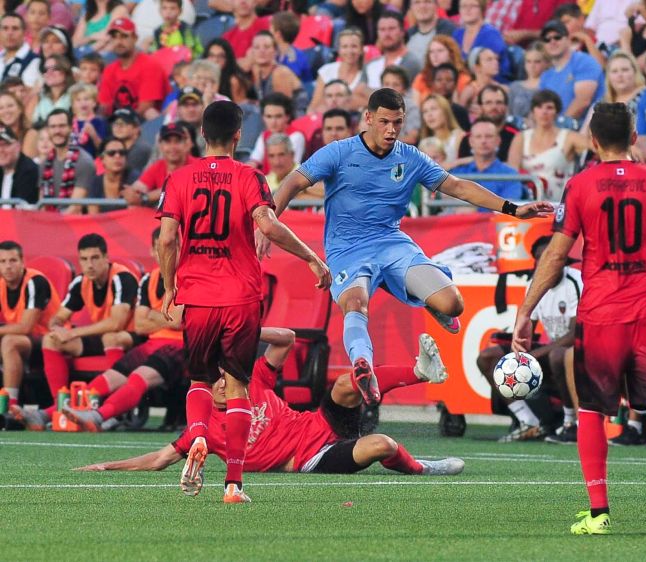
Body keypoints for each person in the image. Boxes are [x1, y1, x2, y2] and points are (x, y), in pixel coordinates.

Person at [269, 88, 553, 406]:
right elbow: (293, 182)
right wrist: (269, 222)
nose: (391, 130)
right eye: (384, 122)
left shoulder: (410, 157)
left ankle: (420, 297)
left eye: (398, 122)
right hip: (347, 249)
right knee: (355, 302)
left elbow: (457, 186)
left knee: (453, 305)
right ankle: (363, 365)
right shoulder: (339, 152)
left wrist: (513, 208)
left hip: (392, 243)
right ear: (368, 119)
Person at [513, 101, 646, 538]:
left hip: (601, 315)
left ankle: (598, 512)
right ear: (634, 138)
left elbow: (556, 256)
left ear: (592, 142)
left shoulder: (579, 185)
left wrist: (524, 310)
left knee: (591, 410)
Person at [156, 100, 332, 503]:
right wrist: (311, 257)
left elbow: (167, 238)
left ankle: (198, 433)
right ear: (239, 135)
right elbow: (268, 225)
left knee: (201, 380)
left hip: (198, 296)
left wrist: (170, 286)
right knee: (238, 388)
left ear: (202, 135)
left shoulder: (179, 179)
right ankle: (233, 484)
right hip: (241, 297)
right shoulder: (251, 177)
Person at [74, 330, 462, 478]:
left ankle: (421, 371)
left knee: (346, 384)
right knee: (383, 445)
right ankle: (422, 468)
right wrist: (110, 464)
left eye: (228, 375)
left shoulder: (253, 379)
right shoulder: (204, 427)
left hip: (319, 422)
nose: (226, 383)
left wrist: (245, 327)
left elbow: (287, 339)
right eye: (219, 380)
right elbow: (160, 459)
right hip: (313, 458)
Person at [11, 233, 140, 430]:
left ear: (106, 258)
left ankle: (112, 411)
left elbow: (117, 322)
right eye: (84, 259)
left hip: (132, 338)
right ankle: (60, 408)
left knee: (111, 336)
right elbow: (59, 316)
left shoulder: (122, 278)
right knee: (51, 340)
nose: (89, 264)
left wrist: (73, 333)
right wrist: (58, 328)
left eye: (95, 258)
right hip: (101, 338)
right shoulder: (81, 281)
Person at [61, 227, 185, 431]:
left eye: (172, 247)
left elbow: (177, 323)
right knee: (110, 377)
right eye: (160, 248)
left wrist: (152, 315)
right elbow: (140, 324)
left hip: (183, 344)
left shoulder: (190, 276)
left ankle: (100, 416)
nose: (166, 253)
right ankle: (51, 413)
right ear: (152, 252)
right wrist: (163, 318)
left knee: (140, 375)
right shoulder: (149, 279)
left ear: (181, 248)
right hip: (153, 341)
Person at [474, 235, 580, 441]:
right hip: (551, 351)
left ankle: (570, 423)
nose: (543, 262)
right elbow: (527, 326)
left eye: (548, 256)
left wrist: (536, 353)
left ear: (562, 258)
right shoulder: (535, 283)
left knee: (558, 355)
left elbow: (576, 334)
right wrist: (520, 350)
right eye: (539, 258)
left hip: (578, 351)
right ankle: (528, 421)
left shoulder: (575, 281)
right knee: (488, 357)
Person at [0, 240, 58, 411]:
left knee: (10, 341)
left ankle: (9, 407)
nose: (8, 266)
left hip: (49, 339)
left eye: (13, 261)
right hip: (25, 339)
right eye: (2, 262)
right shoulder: (1, 284)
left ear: (22, 262)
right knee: (9, 339)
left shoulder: (35, 281)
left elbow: (26, 327)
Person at [507, 89, 588, 202]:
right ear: (533, 111)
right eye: (539, 107)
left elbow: (600, 148)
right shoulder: (521, 138)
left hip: (560, 205)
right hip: (527, 204)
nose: (544, 112)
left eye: (549, 108)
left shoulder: (569, 137)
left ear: (557, 112)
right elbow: (511, 173)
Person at [96, 17, 171, 120]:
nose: (119, 41)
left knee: (150, 113)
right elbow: (105, 105)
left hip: (146, 123)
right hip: (118, 123)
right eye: (114, 37)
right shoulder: (109, 69)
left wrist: (123, 124)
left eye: (124, 36)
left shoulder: (150, 65)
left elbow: (146, 106)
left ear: (135, 38)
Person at [537, 20, 603, 120]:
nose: (552, 42)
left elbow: (583, 101)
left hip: (588, 128)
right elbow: (541, 106)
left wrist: (558, 127)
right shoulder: (546, 75)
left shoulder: (583, 61)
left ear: (569, 40)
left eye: (557, 37)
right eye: (547, 39)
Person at [450, 119, 523, 208]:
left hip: (493, 221)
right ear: (471, 142)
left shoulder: (510, 174)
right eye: (478, 137)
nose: (483, 141)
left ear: (498, 141)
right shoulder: (458, 173)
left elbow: (510, 207)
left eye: (488, 136)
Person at [37, 109, 97, 214]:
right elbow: (42, 204)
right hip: (49, 223)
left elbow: (75, 208)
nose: (57, 131)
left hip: (75, 225)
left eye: (62, 126)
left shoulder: (84, 162)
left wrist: (53, 224)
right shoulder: (44, 164)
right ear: (48, 130)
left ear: (71, 128)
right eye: (53, 127)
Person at [126, 123, 197, 207]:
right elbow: (137, 189)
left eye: (177, 141)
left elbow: (178, 188)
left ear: (186, 144)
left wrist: (146, 197)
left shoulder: (198, 165)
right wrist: (133, 194)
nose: (172, 147)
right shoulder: (158, 166)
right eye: (168, 142)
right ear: (160, 145)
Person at [311, 28, 367, 114]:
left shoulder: (369, 73)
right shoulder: (327, 70)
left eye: (354, 46)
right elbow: (314, 107)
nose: (349, 51)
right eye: (345, 46)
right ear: (339, 50)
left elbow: (370, 105)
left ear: (361, 49)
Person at [457, 85, 519, 161]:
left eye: (499, 102)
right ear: (480, 107)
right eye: (488, 102)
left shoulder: (516, 136)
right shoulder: (469, 137)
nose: (494, 107)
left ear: (506, 107)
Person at [453, 0, 510, 81]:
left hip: (492, 84)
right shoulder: (457, 34)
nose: (467, 9)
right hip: (463, 82)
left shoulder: (491, 34)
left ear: (482, 10)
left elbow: (490, 68)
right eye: (463, 6)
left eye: (473, 6)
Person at [364, 12, 422, 91]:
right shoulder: (371, 64)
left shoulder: (412, 63)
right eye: (382, 29)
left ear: (402, 32)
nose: (387, 34)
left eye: (391, 28)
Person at [249, 93, 306, 172]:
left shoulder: (297, 136)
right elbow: (253, 161)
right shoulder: (264, 135)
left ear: (288, 116)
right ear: (263, 117)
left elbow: (292, 169)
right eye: (269, 116)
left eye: (278, 116)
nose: (273, 122)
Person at [87, 137, 139, 213]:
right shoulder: (95, 182)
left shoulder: (135, 179)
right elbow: (93, 217)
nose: (117, 156)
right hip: (101, 224)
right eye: (111, 153)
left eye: (122, 153)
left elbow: (134, 215)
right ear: (102, 159)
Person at [248, 31, 302, 101]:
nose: (261, 51)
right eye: (257, 47)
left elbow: (282, 106)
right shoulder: (258, 72)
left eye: (267, 47)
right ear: (252, 51)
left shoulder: (281, 72)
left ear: (275, 51)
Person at [0, 125, 38, 206]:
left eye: (6, 145)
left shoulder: (28, 170)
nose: (1, 150)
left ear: (18, 146)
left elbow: (23, 210)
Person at [0, 13, 41, 89]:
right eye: (5, 28)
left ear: (24, 32)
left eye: (15, 28)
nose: (10, 33)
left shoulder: (34, 61)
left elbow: (27, 95)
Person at [508, 42, 547, 121]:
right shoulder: (514, 87)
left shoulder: (551, 86)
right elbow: (509, 114)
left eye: (537, 62)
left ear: (546, 63)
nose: (532, 66)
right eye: (528, 61)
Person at [32, 55, 73, 126]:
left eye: (55, 68)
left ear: (65, 71)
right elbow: (30, 123)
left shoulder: (74, 94)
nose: (49, 73)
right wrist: (34, 93)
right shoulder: (40, 96)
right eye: (45, 69)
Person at [269, 12, 310, 84]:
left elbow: (291, 79)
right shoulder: (276, 53)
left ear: (278, 34)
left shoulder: (295, 55)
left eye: (271, 29)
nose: (268, 32)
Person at [68, 83, 107, 158]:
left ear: (94, 103)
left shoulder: (99, 122)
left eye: (86, 99)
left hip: (91, 161)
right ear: (73, 105)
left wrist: (93, 134)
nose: (83, 102)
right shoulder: (69, 122)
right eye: (78, 100)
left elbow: (103, 148)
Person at [109, 108, 152, 173]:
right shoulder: (114, 146)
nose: (118, 127)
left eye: (123, 123)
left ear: (136, 128)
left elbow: (124, 175)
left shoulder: (141, 149)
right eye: (115, 124)